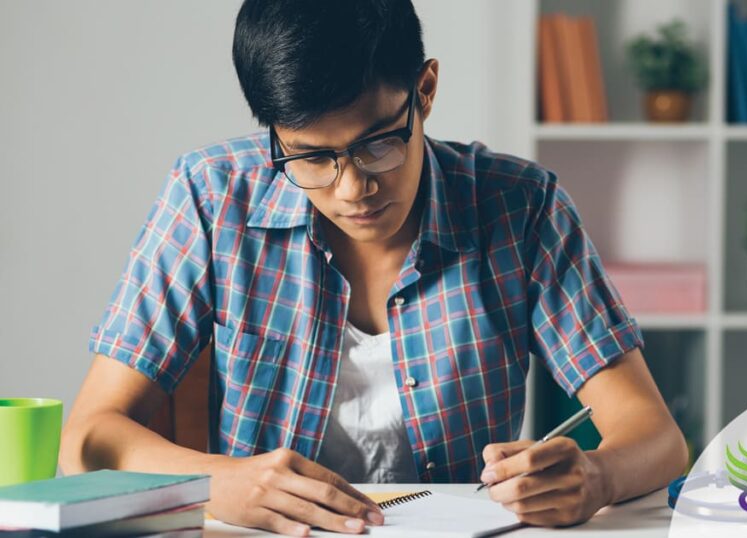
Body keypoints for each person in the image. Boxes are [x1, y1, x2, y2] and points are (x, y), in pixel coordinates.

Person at [58, 1, 688, 535]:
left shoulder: (520, 206)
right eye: (310, 158)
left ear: (426, 91)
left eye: (377, 143)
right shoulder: (210, 197)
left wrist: (595, 475)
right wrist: (220, 483)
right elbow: (86, 440)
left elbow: (657, 438)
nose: (352, 187)